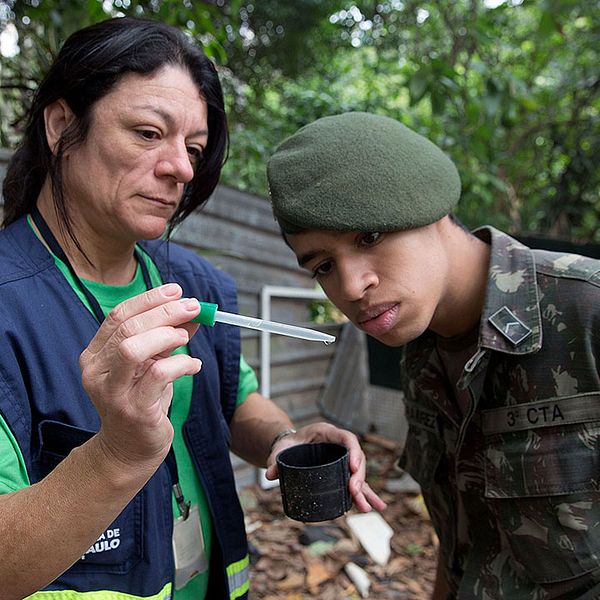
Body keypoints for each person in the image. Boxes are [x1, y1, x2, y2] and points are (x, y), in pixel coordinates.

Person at [0, 21, 385, 599]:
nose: (181, 168)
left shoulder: (190, 283)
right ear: (61, 126)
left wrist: (284, 439)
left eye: (195, 149)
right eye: (149, 133)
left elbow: (233, 400)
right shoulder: (10, 308)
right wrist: (116, 455)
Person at [266, 111, 600, 599]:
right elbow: (462, 547)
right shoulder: (420, 350)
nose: (352, 286)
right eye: (323, 266)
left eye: (370, 236)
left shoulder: (586, 308)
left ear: (431, 206)